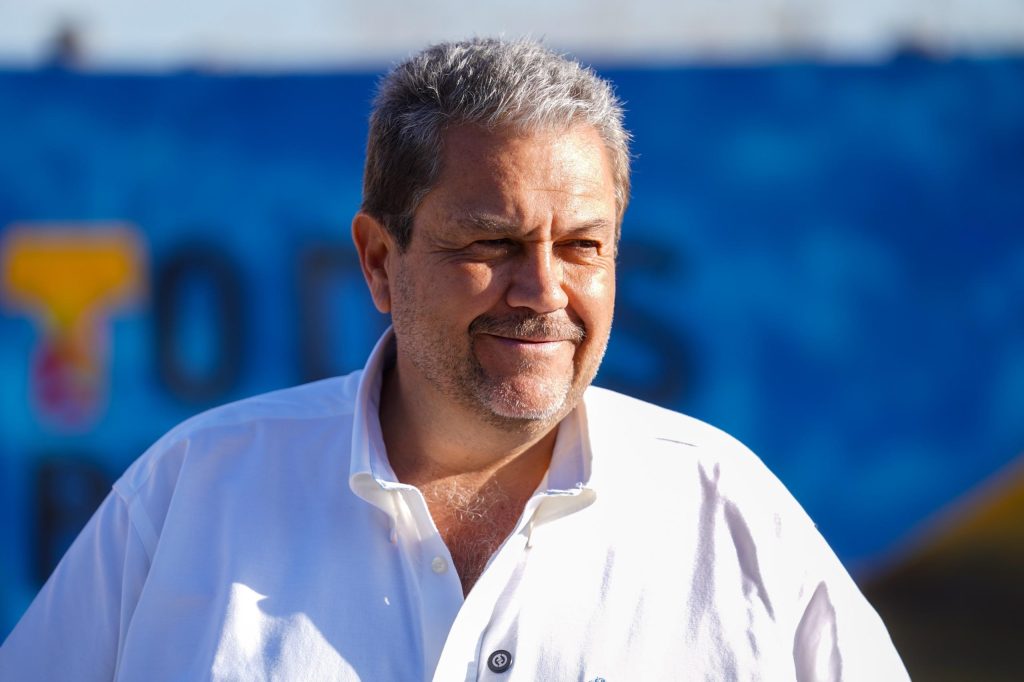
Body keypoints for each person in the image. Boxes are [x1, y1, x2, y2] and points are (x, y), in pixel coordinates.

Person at [0, 38, 909, 681]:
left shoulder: (727, 515)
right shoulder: (192, 495)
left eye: (583, 246)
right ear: (377, 261)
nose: (543, 289)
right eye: (492, 242)